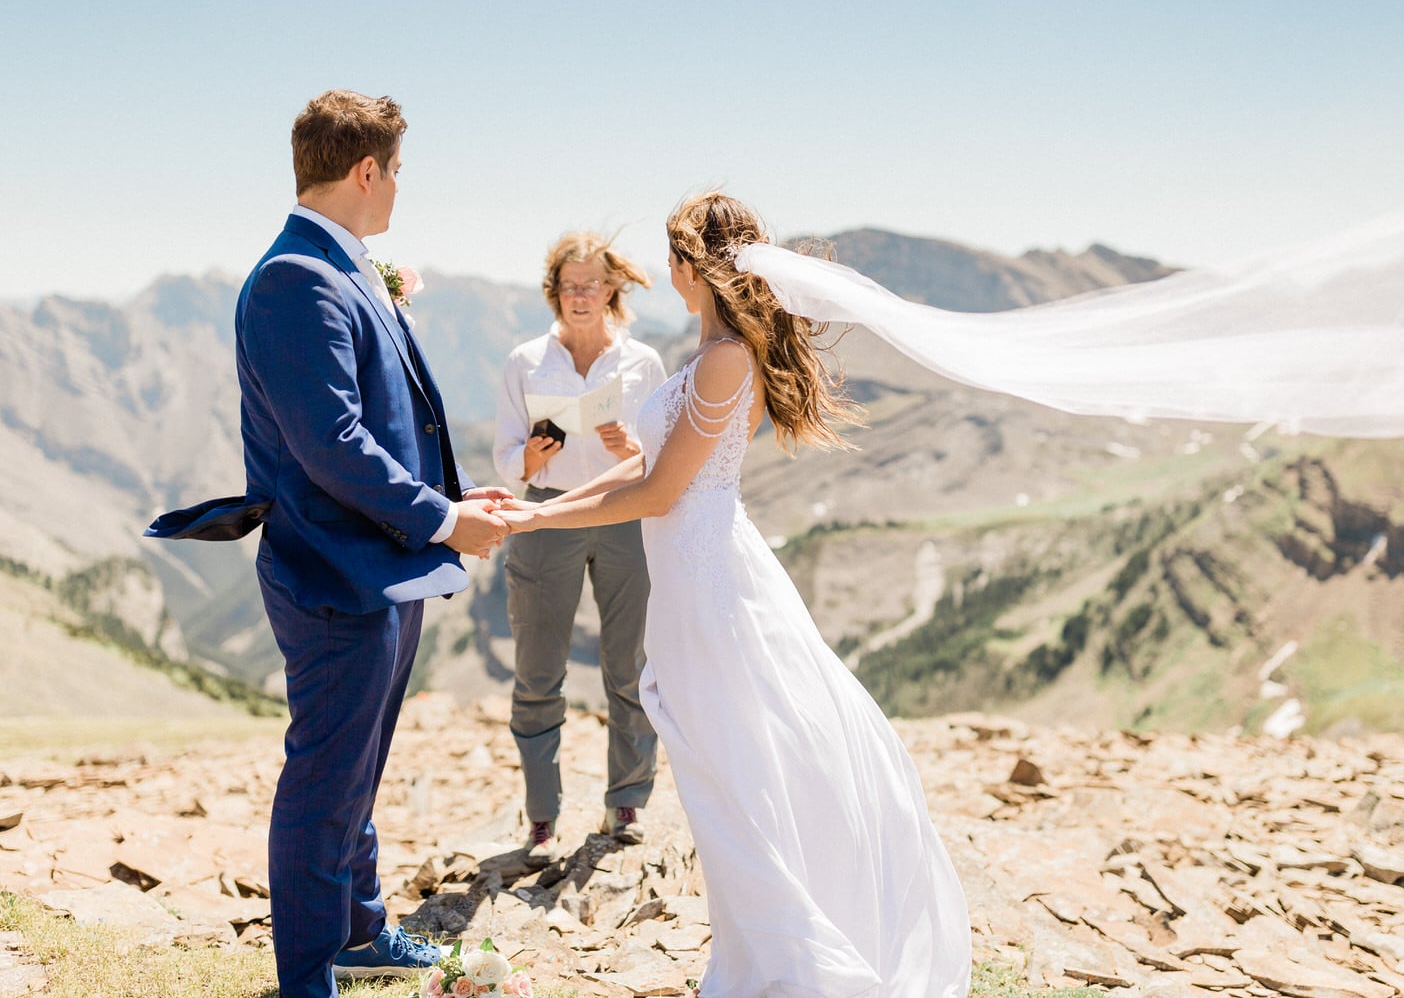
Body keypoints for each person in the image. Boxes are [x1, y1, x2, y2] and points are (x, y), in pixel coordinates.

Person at [498, 194, 972, 996]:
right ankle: (751, 954)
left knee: (733, 768)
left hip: (711, 580)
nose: (672, 277)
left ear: (694, 268)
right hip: (689, 576)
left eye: (675, 263)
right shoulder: (710, 348)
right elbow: (640, 466)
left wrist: (539, 522)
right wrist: (537, 513)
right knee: (717, 765)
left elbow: (660, 491)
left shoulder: (724, 360)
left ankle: (788, 962)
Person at [149, 90, 511, 998]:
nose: (398, 188)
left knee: (359, 765)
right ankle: (308, 974)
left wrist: (457, 499)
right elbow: (333, 444)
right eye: (396, 170)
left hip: (381, 564)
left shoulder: (342, 266)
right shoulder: (293, 278)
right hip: (333, 568)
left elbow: (393, 421)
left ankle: (359, 933)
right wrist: (445, 520)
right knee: (324, 778)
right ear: (365, 171)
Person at [492, 233, 666, 862]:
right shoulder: (525, 361)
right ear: (555, 291)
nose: (580, 296)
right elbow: (505, 456)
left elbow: (665, 456)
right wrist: (528, 458)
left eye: (592, 284)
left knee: (631, 665)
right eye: (570, 285)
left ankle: (628, 802)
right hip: (548, 514)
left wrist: (630, 452)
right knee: (538, 672)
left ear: (612, 291)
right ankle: (542, 818)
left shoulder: (643, 363)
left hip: (624, 516)